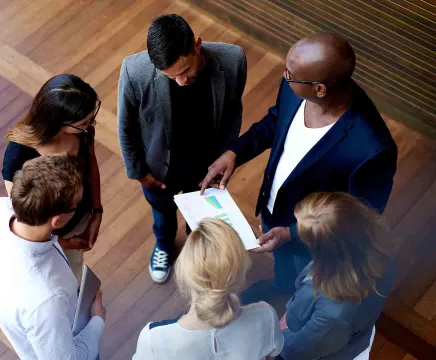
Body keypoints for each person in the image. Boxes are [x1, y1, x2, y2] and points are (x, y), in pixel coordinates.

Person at [200, 33, 397, 295]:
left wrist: (292, 233)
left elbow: (359, 219)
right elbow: (276, 121)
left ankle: (295, 303)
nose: (284, 76)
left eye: (289, 73)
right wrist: (235, 153)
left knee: (307, 284)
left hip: (313, 242)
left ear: (320, 89)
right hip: (274, 214)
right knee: (284, 269)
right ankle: (282, 287)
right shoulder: (297, 87)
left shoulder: (373, 149)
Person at [118, 14, 247, 283]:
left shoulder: (234, 60)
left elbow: (233, 111)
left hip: (205, 165)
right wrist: (138, 171)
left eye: (186, 71)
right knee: (162, 215)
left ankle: (195, 248)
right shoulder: (134, 71)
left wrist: (225, 155)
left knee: (199, 219)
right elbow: (126, 126)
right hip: (158, 169)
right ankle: (164, 245)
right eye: (171, 76)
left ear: (197, 45)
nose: (181, 81)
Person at [0, 155, 106, 360]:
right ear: (57, 220)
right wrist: (97, 321)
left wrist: (59, 243)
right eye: (77, 204)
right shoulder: (46, 299)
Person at [133, 218, 283, 359]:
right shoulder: (265, 317)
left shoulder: (154, 340)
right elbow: (271, 355)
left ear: (184, 273)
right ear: (241, 274)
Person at [2, 74, 103, 282]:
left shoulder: (82, 132)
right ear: (56, 121)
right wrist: (64, 244)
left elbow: (91, 165)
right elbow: (27, 218)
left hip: (78, 220)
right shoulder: (18, 154)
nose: (91, 124)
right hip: (47, 238)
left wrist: (96, 211)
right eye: (84, 122)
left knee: (74, 273)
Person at [278, 192, 395, 360]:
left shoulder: (334, 313)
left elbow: (294, 352)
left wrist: (278, 334)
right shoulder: (377, 239)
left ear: (327, 252)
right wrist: (288, 233)